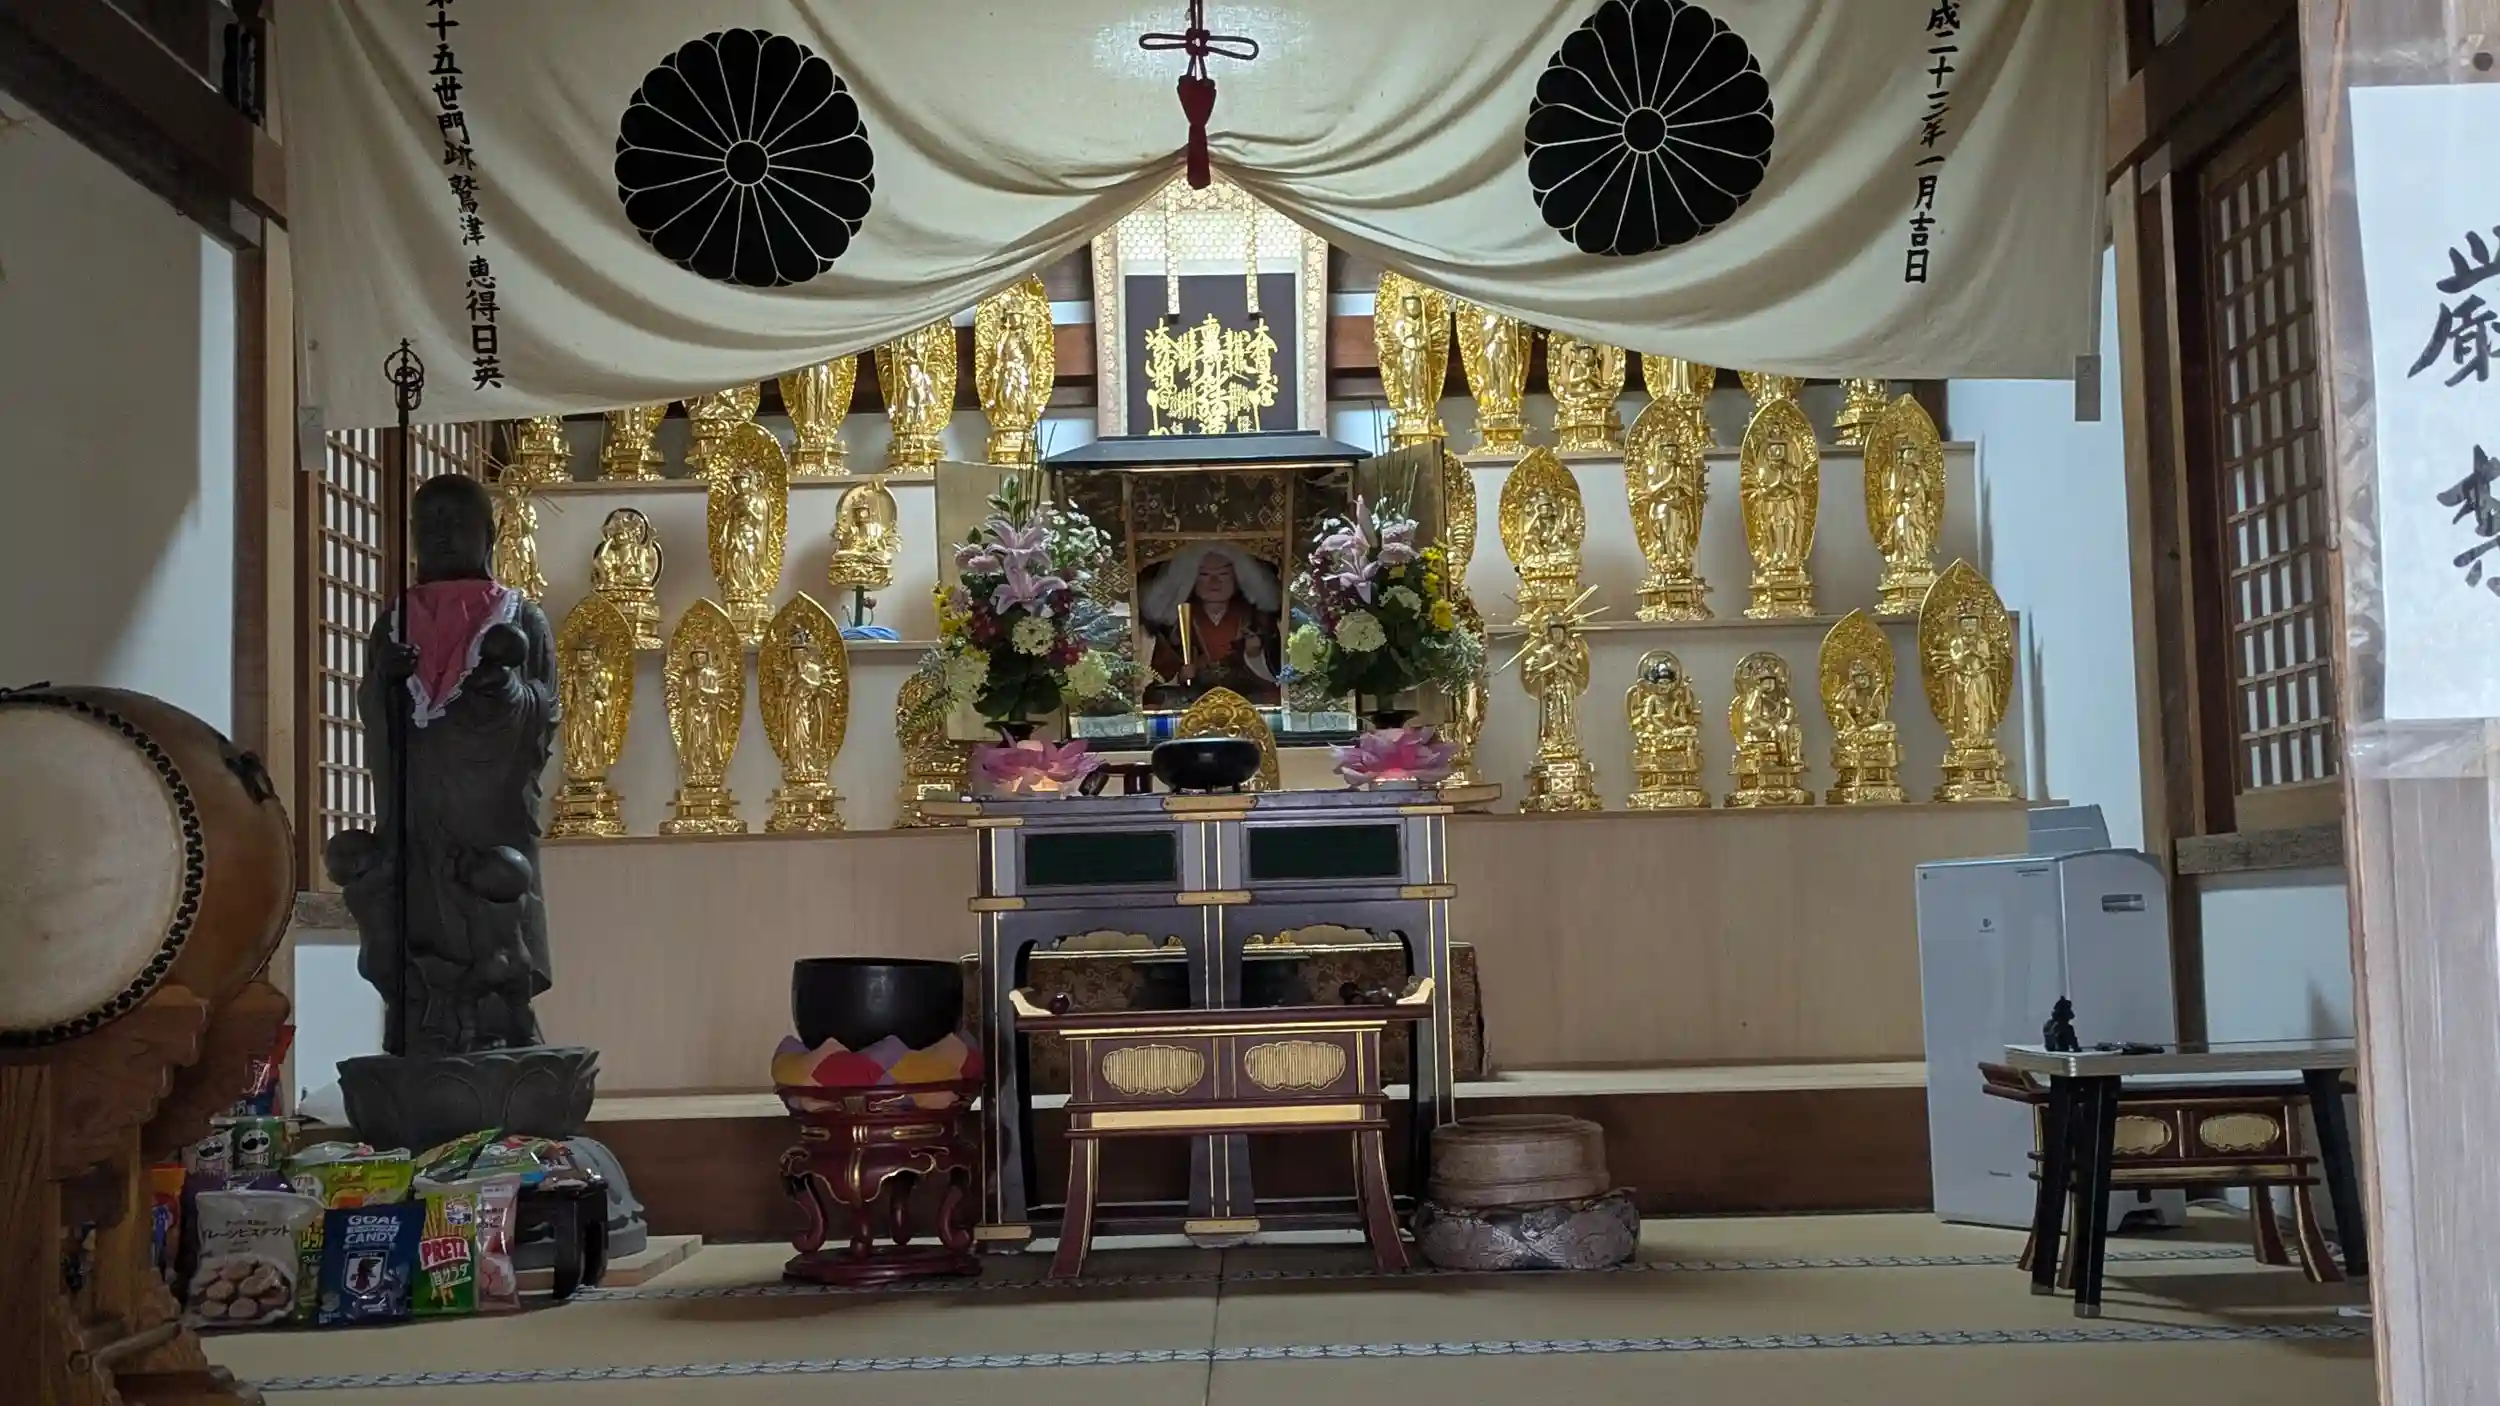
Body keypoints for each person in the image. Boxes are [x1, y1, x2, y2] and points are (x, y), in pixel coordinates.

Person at [327, 474, 558, 1058]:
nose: (442, 534)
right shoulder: (396, 619)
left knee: (490, 894)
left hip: (488, 801)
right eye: (428, 524)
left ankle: (503, 1021)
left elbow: (544, 708)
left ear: (490, 535)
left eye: (457, 522)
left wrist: (503, 695)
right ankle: (418, 1020)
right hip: (416, 800)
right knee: (416, 902)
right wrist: (385, 682)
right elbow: (373, 707)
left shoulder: (521, 615)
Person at [1141, 542, 1282, 708]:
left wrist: (1254, 655)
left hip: (1242, 691)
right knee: (1158, 700)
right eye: (1204, 575)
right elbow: (1163, 667)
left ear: (1237, 577)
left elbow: (1273, 667)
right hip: (1195, 694)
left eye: (1224, 574)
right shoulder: (1178, 617)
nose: (1214, 582)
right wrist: (1180, 675)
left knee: (1273, 698)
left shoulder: (1252, 615)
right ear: (1192, 579)